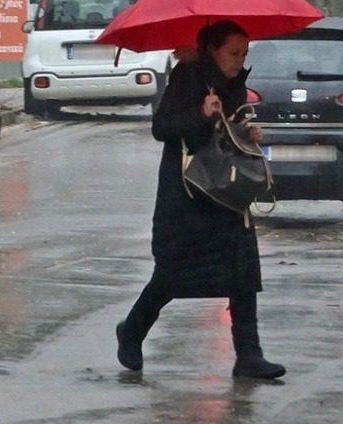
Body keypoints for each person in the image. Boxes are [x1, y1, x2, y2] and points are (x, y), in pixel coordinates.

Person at [115, 20, 286, 379]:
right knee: (173, 275)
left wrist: (246, 130)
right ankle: (131, 332)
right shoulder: (188, 76)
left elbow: (230, 131)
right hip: (189, 194)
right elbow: (161, 128)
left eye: (244, 53)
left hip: (227, 192)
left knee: (242, 273)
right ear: (213, 49)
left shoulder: (232, 83)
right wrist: (200, 114)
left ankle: (249, 354)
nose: (240, 60)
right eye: (233, 53)